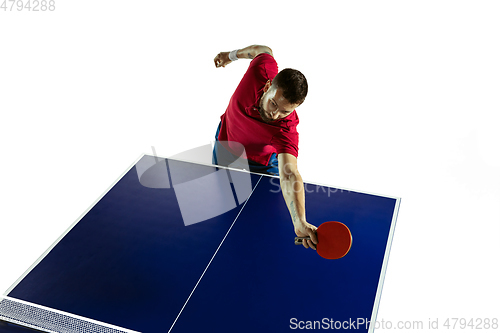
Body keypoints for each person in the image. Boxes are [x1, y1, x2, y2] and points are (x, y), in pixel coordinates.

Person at [213, 45, 318, 250]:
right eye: (273, 104)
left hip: (261, 164)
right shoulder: (261, 69)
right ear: (268, 85)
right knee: (222, 203)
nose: (275, 115)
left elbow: (289, 173)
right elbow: (261, 50)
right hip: (226, 144)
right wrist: (230, 56)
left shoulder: (286, 130)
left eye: (285, 112)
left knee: (261, 219)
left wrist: (299, 221)